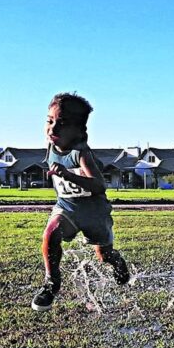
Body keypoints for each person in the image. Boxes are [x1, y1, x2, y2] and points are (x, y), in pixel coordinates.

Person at [32, 93, 130, 312]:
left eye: (62, 123)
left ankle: (117, 262)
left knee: (103, 255)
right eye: (49, 121)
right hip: (68, 207)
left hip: (94, 213)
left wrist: (69, 175)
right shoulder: (51, 146)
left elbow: (98, 185)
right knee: (50, 234)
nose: (53, 129)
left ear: (80, 131)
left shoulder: (81, 153)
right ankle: (51, 283)